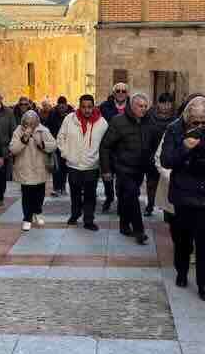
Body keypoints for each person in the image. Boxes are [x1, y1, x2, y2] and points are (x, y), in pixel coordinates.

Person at [161, 97, 205, 300]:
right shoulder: (174, 128)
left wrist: (200, 163)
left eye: (204, 121)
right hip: (183, 192)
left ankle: (203, 284)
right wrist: (184, 148)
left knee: (204, 240)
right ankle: (181, 272)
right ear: (187, 117)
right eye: (196, 122)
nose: (200, 125)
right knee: (182, 238)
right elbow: (166, 160)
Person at [101, 93, 151, 244]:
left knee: (125, 198)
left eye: (145, 107)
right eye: (140, 106)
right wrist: (106, 170)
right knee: (133, 196)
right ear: (132, 106)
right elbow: (105, 146)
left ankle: (124, 225)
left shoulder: (148, 121)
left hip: (139, 169)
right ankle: (139, 230)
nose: (143, 109)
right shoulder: (118, 121)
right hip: (123, 167)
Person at [57, 94, 108, 232]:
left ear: (94, 107)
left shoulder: (102, 123)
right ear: (80, 107)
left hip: (91, 166)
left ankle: (88, 219)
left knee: (90, 195)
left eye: (89, 107)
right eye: (84, 107)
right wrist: (66, 154)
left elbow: (106, 145)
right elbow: (61, 137)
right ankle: (75, 214)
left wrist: (98, 159)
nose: (87, 110)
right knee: (75, 193)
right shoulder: (69, 119)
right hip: (73, 164)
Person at [10, 110, 57, 232]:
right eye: (27, 123)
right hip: (25, 168)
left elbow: (53, 145)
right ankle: (27, 218)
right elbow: (13, 149)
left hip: (40, 167)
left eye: (32, 123)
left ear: (37, 122)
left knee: (39, 193)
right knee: (26, 195)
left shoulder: (43, 130)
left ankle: (38, 212)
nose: (29, 125)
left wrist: (41, 143)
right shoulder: (18, 131)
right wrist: (24, 138)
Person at [143, 93, 176, 216]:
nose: (166, 106)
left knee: (167, 184)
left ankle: (167, 211)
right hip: (151, 155)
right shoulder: (150, 116)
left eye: (169, 104)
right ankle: (150, 205)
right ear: (159, 104)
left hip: (167, 157)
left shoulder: (175, 119)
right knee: (151, 183)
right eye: (164, 103)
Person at [99, 83, 130, 212]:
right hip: (109, 147)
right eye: (118, 91)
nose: (121, 93)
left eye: (123, 91)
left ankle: (121, 202)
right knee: (107, 176)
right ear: (113, 93)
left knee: (122, 178)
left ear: (127, 93)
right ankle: (109, 197)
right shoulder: (104, 107)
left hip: (125, 148)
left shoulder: (132, 106)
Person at [0, 90, 17, 206]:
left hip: (4, 148)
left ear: (1, 99)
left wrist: (12, 148)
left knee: (2, 174)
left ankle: (0, 196)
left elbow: (13, 130)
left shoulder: (8, 112)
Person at [47, 96, 72, 196]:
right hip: (56, 144)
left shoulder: (71, 114)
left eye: (63, 105)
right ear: (58, 105)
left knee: (65, 167)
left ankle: (63, 187)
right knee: (56, 167)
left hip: (67, 145)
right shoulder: (53, 114)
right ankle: (56, 188)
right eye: (60, 105)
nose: (61, 107)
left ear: (66, 105)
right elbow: (49, 128)